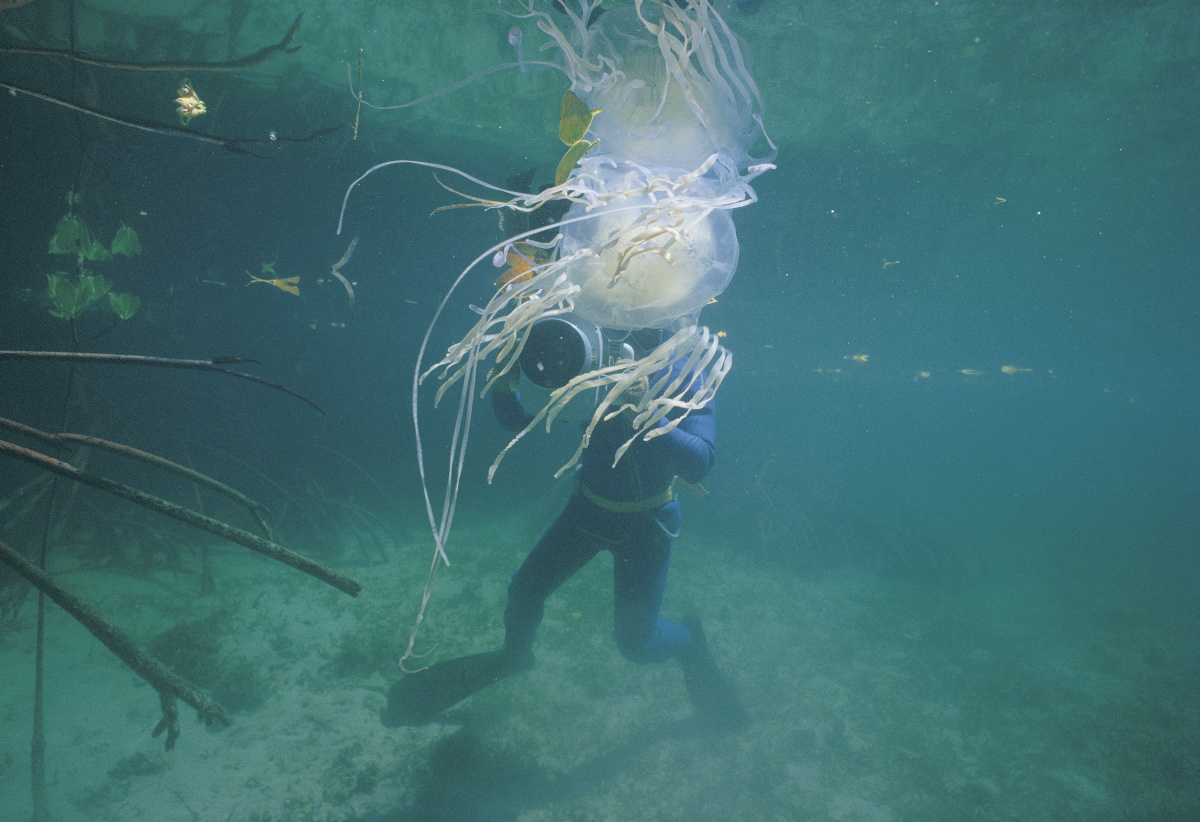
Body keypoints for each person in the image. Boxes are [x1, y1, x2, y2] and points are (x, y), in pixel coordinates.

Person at [382, 336, 746, 729]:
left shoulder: (685, 374)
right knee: (524, 591)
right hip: (587, 511)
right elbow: (520, 420)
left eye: (648, 330)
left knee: (636, 644)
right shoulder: (589, 357)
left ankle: (690, 642)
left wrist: (646, 414)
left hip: (648, 524)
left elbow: (699, 464)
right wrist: (505, 387)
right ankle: (515, 655)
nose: (633, 337)